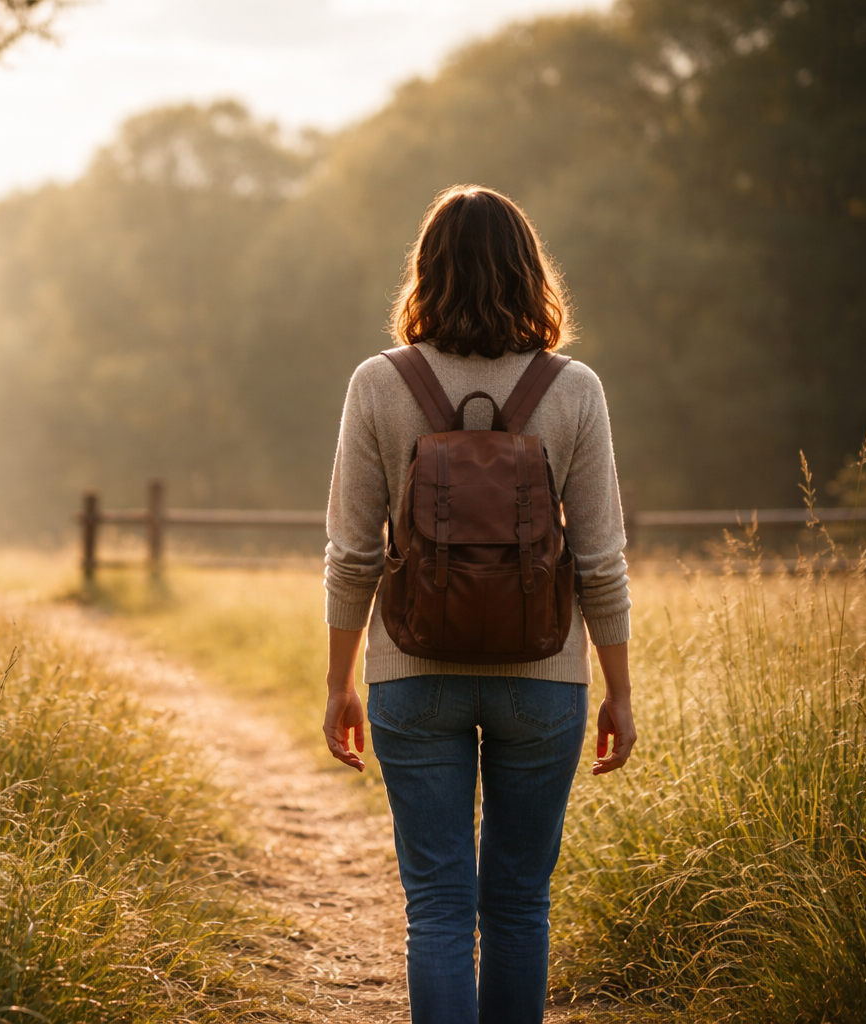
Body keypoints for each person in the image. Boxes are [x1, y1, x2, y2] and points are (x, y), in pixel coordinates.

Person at [321, 185, 636, 1024]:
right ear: (531, 272)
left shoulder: (379, 384)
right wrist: (620, 690)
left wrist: (339, 681)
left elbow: (351, 551)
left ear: (425, 271)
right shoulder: (574, 389)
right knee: (520, 905)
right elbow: (601, 559)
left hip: (411, 673)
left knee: (437, 909)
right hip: (545, 676)